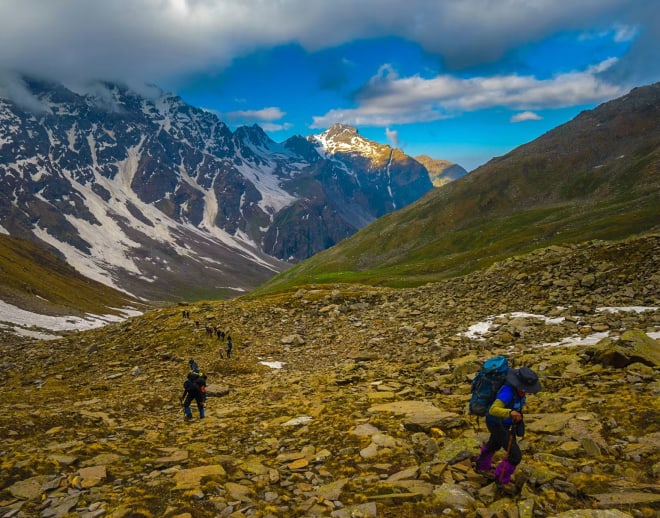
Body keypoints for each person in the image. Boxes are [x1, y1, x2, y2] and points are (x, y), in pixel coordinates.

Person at [474, 367, 541, 490]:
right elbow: (493, 410)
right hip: (496, 423)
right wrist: (510, 413)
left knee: (494, 444)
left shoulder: (520, 393)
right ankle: (501, 479)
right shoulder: (508, 391)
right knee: (515, 456)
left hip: (503, 423)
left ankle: (481, 466)